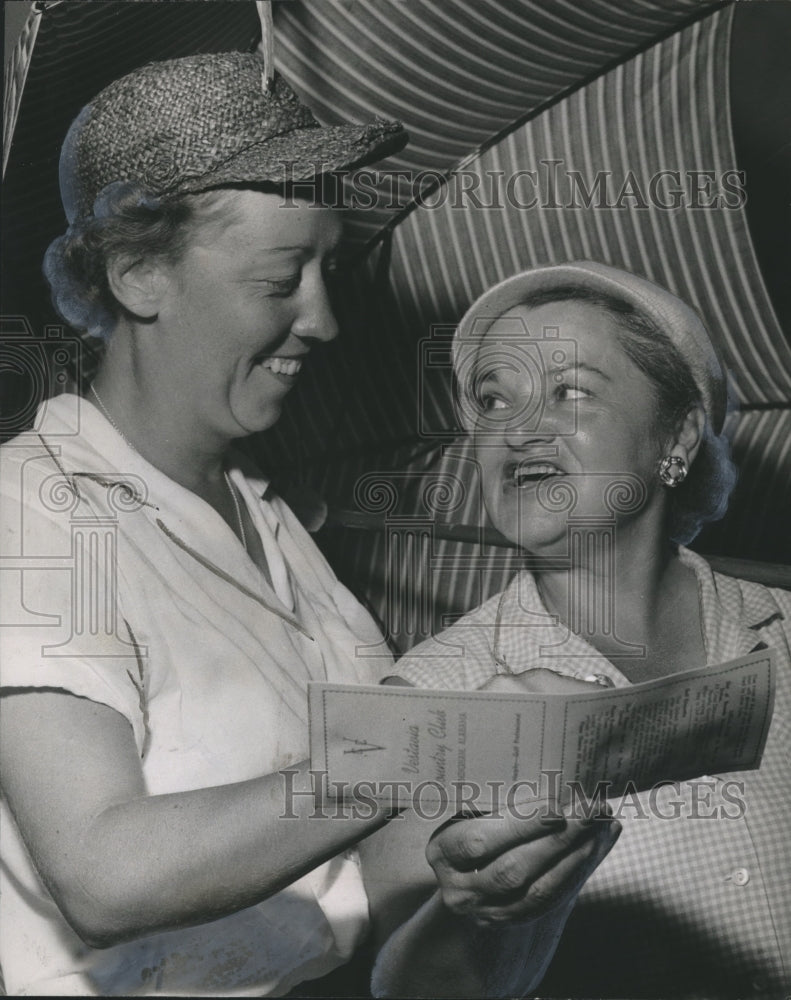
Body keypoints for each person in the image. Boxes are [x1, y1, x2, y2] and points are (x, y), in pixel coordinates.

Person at [0, 56, 618, 997]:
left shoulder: (274, 518)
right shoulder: (38, 511)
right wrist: (430, 742)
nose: (324, 320)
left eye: (327, 268)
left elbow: (352, 882)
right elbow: (103, 875)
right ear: (137, 275)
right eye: (282, 277)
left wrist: (504, 835)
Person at [390, 261, 791, 999]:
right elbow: (403, 984)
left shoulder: (782, 629)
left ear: (676, 435)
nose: (516, 431)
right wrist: (482, 916)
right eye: (491, 400)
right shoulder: (431, 693)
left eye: (568, 391)